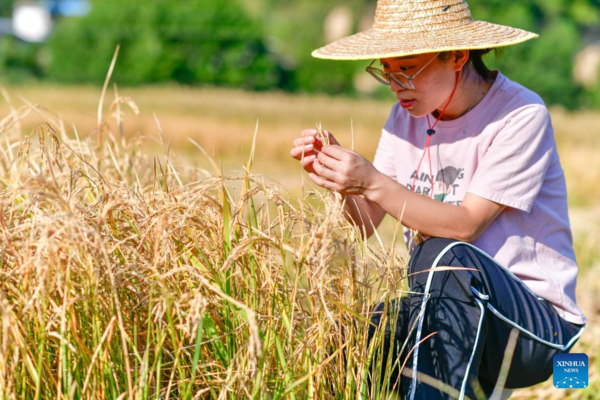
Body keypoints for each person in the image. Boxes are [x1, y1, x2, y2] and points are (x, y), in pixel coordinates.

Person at [289, 0, 586, 399]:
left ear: (458, 56)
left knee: (442, 255)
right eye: (387, 71)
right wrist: (342, 182)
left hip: (533, 327)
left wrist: (371, 181)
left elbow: (466, 225)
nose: (396, 85)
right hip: (446, 307)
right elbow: (365, 224)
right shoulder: (403, 118)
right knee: (356, 338)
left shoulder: (521, 114)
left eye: (408, 68)